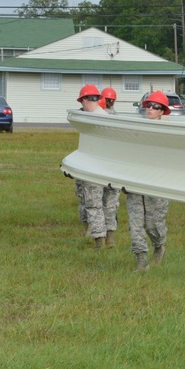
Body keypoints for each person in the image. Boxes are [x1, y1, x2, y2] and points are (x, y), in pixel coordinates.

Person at [127, 91, 172, 271]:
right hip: (135, 182)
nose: (151, 109)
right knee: (135, 222)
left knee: (153, 224)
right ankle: (141, 260)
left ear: (162, 112)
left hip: (157, 184)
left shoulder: (169, 133)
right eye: (148, 106)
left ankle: (159, 246)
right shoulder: (136, 129)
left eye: (156, 107)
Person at [74, 85, 111, 249]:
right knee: (109, 205)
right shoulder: (108, 116)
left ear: (83, 100)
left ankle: (99, 243)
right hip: (111, 169)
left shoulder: (90, 119)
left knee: (93, 205)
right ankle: (111, 240)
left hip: (94, 169)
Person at [99, 87, 120, 247]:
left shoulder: (97, 116)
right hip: (114, 165)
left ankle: (100, 237)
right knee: (111, 202)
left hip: (101, 164)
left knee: (97, 202)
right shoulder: (117, 118)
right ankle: (110, 235)